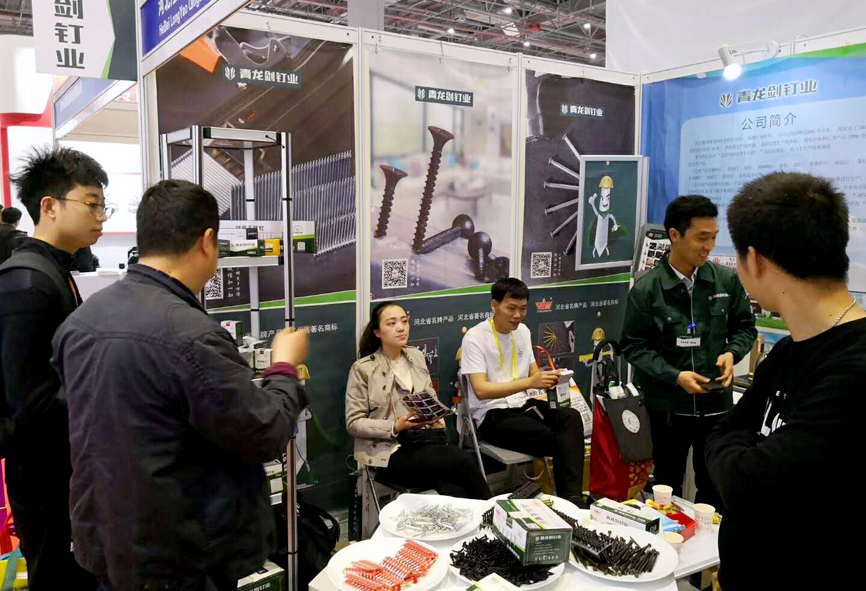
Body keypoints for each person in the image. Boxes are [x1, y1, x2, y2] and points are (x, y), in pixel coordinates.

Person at [51, 179, 310, 591]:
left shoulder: (81, 321)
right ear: (207, 241)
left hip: (107, 539)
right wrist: (283, 366)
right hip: (176, 554)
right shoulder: (190, 335)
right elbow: (264, 433)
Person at [706, 173, 864, 589]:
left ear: (754, 260)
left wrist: (736, 456)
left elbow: (745, 484)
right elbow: (723, 433)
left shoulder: (855, 370)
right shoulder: (788, 352)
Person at [0, 147, 109, 590]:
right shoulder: (27, 282)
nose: (100, 217)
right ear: (49, 206)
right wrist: (104, 383)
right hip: (43, 475)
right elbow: (31, 402)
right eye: (91, 203)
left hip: (65, 466)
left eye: (103, 206)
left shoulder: (53, 270)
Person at [620, 195, 756, 511]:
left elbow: (745, 328)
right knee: (666, 487)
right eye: (701, 238)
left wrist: (732, 354)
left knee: (715, 486)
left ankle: (710, 542)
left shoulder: (725, 280)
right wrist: (675, 375)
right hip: (667, 409)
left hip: (716, 406)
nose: (709, 246)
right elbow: (633, 346)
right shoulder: (647, 289)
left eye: (714, 237)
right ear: (674, 235)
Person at [346, 301, 491, 499]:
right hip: (386, 453)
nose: (401, 328)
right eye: (391, 323)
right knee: (463, 460)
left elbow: (430, 399)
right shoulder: (363, 369)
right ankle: (494, 513)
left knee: (453, 484)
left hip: (422, 442)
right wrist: (394, 426)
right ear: (377, 332)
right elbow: (353, 423)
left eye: (404, 321)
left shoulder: (416, 356)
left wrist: (435, 417)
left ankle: (479, 517)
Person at [460, 278, 586, 503]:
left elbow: (533, 373)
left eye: (523, 309)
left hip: (524, 405)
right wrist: (529, 383)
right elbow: (480, 390)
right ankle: (569, 500)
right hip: (492, 414)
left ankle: (573, 500)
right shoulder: (474, 338)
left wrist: (551, 378)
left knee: (571, 418)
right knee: (560, 438)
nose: (517, 315)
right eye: (511, 308)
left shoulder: (523, 332)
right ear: (494, 305)